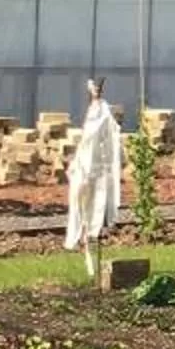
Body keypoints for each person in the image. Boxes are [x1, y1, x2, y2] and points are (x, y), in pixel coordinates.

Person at [65, 78, 124, 276]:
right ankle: (86, 237)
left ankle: (92, 236)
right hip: (88, 171)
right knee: (85, 203)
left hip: (98, 171)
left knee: (96, 204)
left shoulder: (103, 114)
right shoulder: (96, 115)